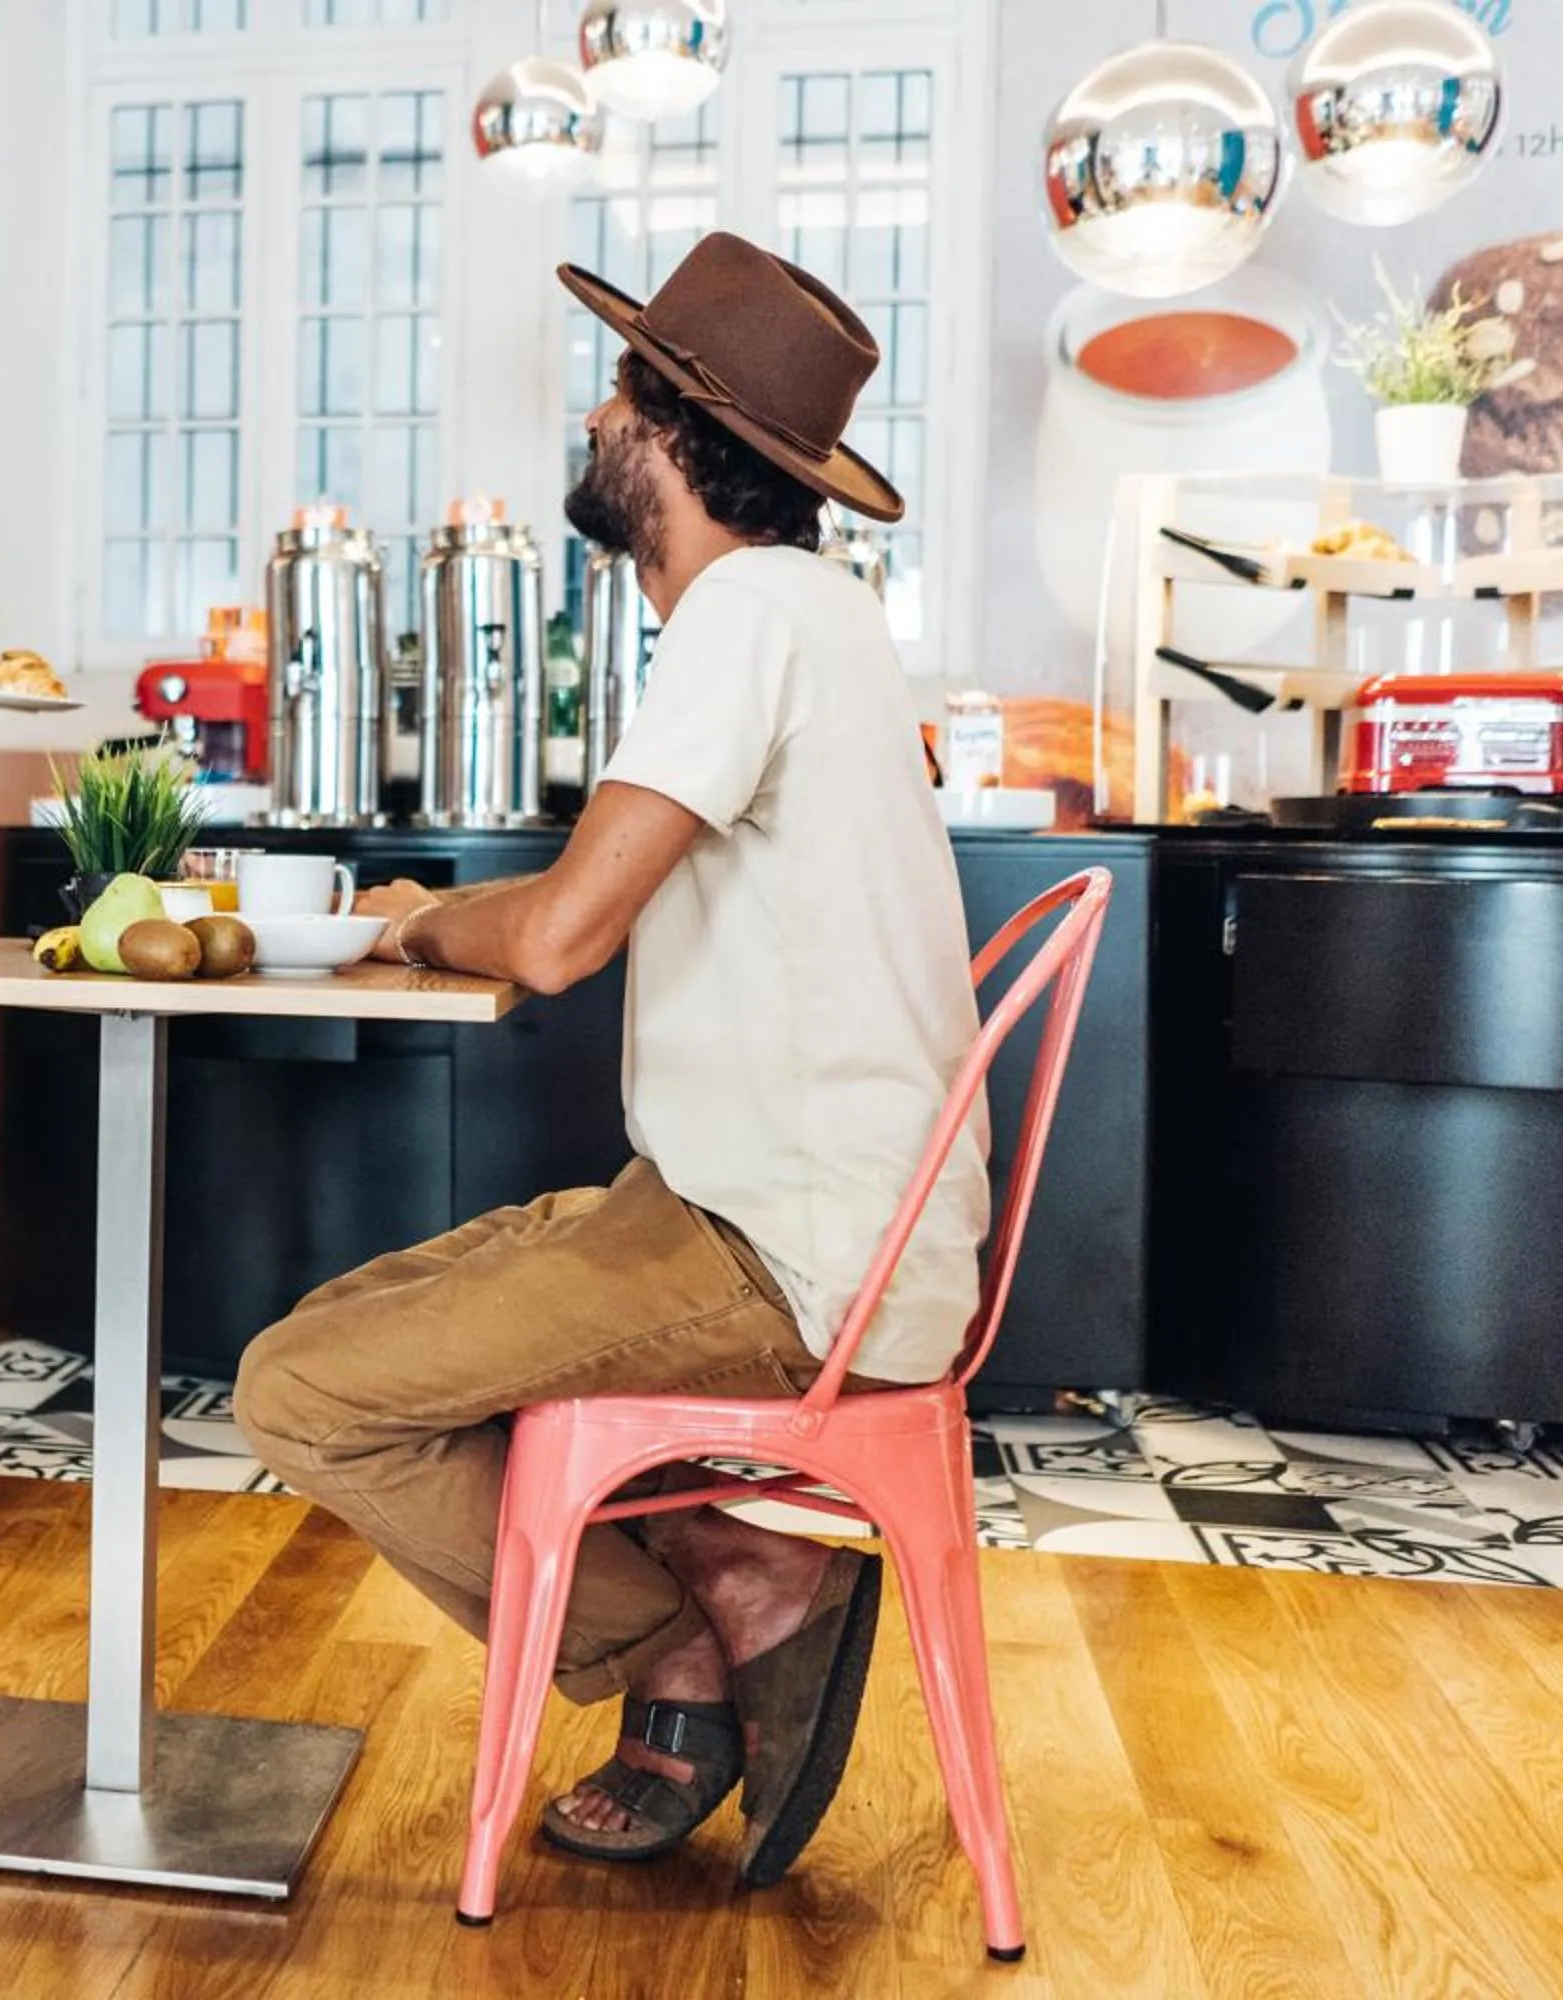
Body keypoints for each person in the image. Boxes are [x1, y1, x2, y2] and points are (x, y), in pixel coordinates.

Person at [232, 233, 989, 1886]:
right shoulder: (812, 613)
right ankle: (721, 1557)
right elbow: (596, 897)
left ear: (679, 440)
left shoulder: (745, 612)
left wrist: (411, 930)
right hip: (791, 1217)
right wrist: (436, 920)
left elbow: (567, 936)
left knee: (299, 1394)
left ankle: (684, 1638)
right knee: (342, 1339)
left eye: (625, 396)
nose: (596, 418)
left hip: (787, 1254)